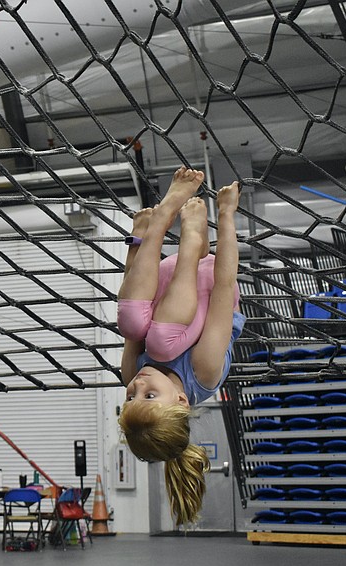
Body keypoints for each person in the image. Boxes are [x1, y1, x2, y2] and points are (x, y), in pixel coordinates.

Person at [116, 167, 245, 526]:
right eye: (148, 396)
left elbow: (129, 300)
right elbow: (224, 288)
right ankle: (192, 238)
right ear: (182, 400)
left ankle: (164, 219)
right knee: (159, 344)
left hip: (161, 280)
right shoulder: (204, 372)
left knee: (132, 324)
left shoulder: (133, 373)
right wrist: (226, 215)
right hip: (210, 283)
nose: (137, 385)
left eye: (130, 397)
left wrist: (137, 240)